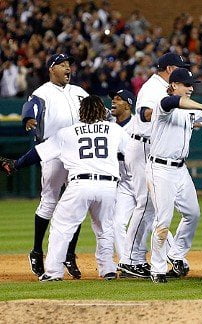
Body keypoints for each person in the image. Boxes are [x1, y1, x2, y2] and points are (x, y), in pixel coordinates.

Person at [6, 95, 129, 281]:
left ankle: (54, 272)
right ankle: (108, 270)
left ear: (81, 111)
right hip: (108, 185)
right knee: (105, 228)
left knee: (62, 227)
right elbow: (131, 153)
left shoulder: (67, 132)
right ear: (100, 111)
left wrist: (16, 164)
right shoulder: (115, 130)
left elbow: (38, 153)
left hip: (80, 184)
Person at [118, 52, 190, 278]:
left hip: (151, 145)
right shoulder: (153, 87)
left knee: (154, 206)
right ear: (169, 69)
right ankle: (131, 259)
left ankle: (148, 255)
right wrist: (161, 111)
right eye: (178, 69)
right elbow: (144, 114)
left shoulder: (162, 86)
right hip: (144, 146)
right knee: (147, 203)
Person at [21, 53, 88, 279]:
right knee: (49, 200)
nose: (67, 68)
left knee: (76, 203)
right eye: (62, 65)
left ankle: (69, 254)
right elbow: (31, 109)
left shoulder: (79, 92)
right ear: (52, 69)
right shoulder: (42, 92)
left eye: (69, 64)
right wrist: (27, 119)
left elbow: (95, 110)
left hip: (78, 154)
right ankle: (37, 251)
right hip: (53, 152)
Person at [146, 68, 202, 283]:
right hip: (160, 169)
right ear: (174, 85)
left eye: (192, 84)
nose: (192, 87)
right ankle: (157, 268)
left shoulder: (190, 110)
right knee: (163, 220)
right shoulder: (163, 103)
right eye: (186, 84)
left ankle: (176, 255)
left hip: (180, 169)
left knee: (193, 214)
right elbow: (173, 103)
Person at [108, 89, 137, 273]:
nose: (113, 101)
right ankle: (126, 262)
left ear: (127, 104)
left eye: (118, 99)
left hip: (142, 179)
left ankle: (175, 258)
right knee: (117, 223)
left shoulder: (138, 124)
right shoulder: (109, 125)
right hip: (124, 183)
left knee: (154, 222)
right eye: (113, 98)